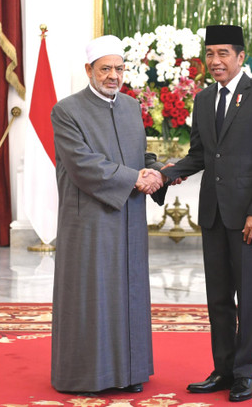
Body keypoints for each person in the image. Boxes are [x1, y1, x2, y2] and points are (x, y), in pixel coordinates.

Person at [160, 25, 252, 402]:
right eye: (210, 54)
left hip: (248, 217)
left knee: (248, 297)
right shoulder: (203, 99)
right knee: (217, 298)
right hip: (213, 213)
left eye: (223, 54)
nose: (215, 61)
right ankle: (223, 370)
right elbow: (200, 155)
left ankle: (245, 373)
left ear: (240, 57)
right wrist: (166, 175)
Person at [50, 34, 167, 394]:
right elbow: (85, 166)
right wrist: (136, 178)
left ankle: (130, 373)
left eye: (118, 68)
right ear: (89, 70)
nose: (113, 75)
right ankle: (88, 377)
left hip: (129, 218)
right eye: (105, 69)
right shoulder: (66, 110)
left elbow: (138, 157)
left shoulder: (131, 107)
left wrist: (157, 171)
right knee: (93, 295)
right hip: (91, 221)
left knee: (128, 293)